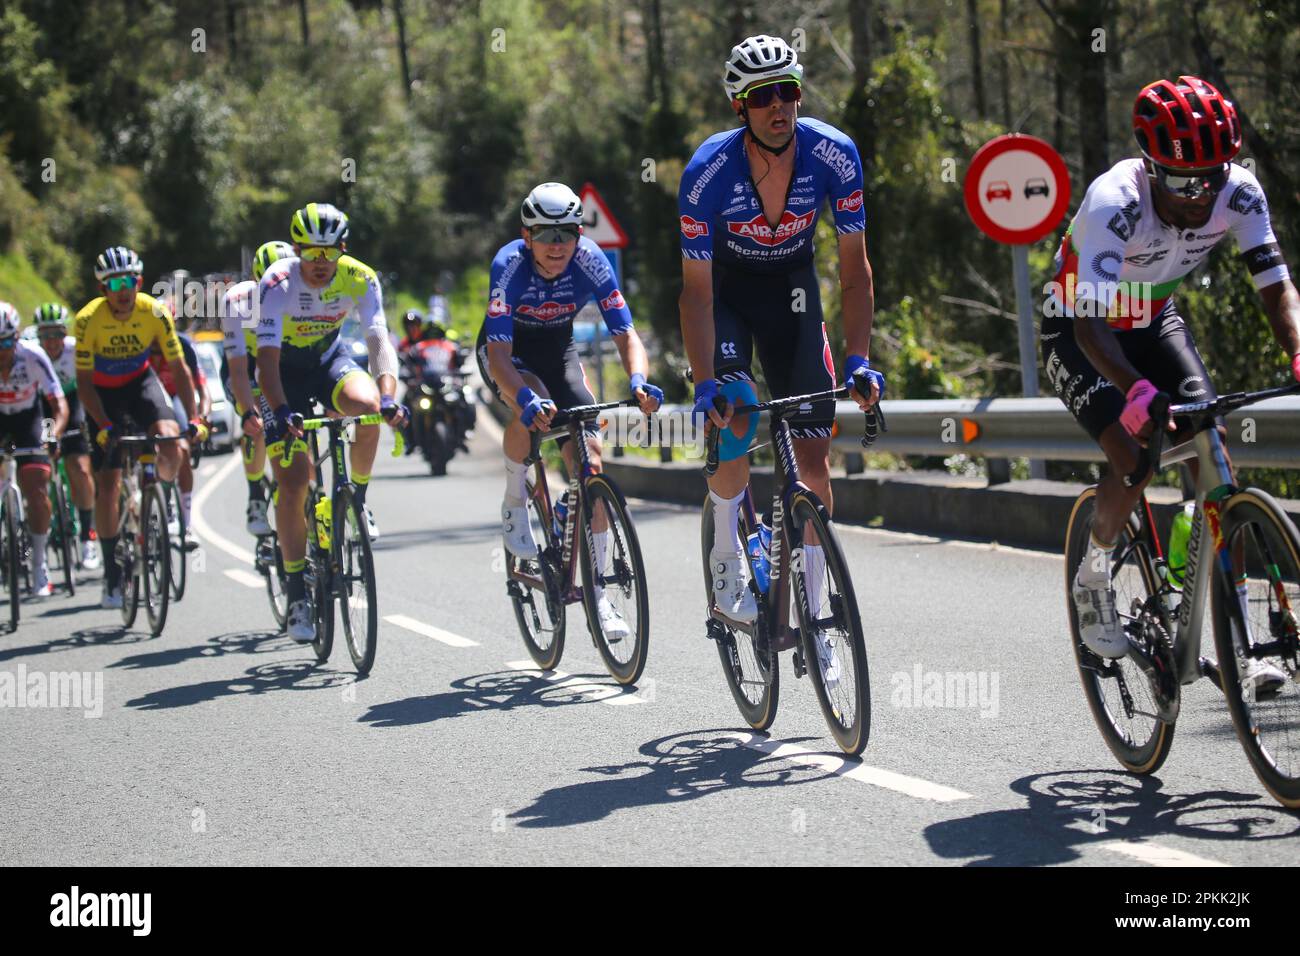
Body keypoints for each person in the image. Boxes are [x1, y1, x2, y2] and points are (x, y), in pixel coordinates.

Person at [1044, 75, 1300, 693]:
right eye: (1185, 181)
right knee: (1132, 457)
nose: (1201, 193)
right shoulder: (1115, 202)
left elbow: (1275, 290)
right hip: (1083, 330)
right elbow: (1089, 328)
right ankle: (1094, 576)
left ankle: (1241, 641)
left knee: (1210, 452)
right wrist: (1135, 391)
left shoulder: (1238, 193)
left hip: (1155, 317)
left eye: (1215, 174)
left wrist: (1298, 350)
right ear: (1151, 166)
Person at [678, 34, 883, 672]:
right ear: (741, 106)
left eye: (787, 93)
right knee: (737, 411)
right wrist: (707, 379)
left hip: (794, 293)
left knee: (815, 455)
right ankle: (725, 561)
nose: (778, 107)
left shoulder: (834, 155)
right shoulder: (706, 173)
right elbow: (696, 293)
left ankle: (817, 615)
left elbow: (854, 271)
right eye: (762, 97)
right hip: (730, 298)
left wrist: (856, 358)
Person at [477, 182, 663, 640]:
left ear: (579, 234)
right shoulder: (509, 265)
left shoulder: (590, 260)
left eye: (567, 233)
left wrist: (637, 380)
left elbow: (625, 334)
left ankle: (598, 594)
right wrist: (523, 398)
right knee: (536, 405)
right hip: (508, 353)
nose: (557, 245)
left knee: (590, 462)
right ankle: (515, 498)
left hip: (558, 348)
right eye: (545, 234)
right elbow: (499, 358)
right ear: (527, 235)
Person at [255, 203, 407, 643]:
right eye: (310, 253)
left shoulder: (360, 276)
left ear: (342, 249)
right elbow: (265, 360)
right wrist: (282, 411)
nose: (320, 263)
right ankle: (298, 592)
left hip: (328, 360)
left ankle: (355, 500)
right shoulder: (278, 282)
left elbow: (379, 341)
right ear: (298, 250)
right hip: (282, 374)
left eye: (329, 252)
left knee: (369, 407)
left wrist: (389, 394)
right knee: (295, 480)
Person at [74, 246, 206, 608]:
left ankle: (154, 498)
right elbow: (83, 384)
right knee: (108, 482)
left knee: (171, 441)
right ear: (103, 288)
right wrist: (101, 424)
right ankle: (112, 575)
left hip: (139, 382)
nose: (123, 289)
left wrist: (193, 418)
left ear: (139, 282)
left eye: (129, 281)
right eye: (114, 283)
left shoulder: (155, 311)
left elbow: (180, 370)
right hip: (102, 392)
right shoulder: (87, 320)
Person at [220, 240, 292, 535]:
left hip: (281, 366)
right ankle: (255, 497)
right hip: (245, 369)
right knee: (259, 424)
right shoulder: (237, 301)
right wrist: (249, 409)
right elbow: (237, 368)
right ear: (254, 281)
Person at [0, 302, 67, 597]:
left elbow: (58, 404)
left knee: (37, 485)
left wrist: (51, 436)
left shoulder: (33, 355)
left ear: (16, 338)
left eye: (5, 342)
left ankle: (39, 563)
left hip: (29, 416)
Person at [33, 303, 100, 570]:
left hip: (74, 403)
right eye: (45, 335)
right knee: (43, 461)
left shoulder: (75, 349)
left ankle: (87, 537)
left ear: (65, 333)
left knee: (81, 468)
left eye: (57, 334)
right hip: (46, 406)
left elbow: (92, 385)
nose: (51, 342)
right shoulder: (34, 355)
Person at [148, 324, 210, 547]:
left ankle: (186, 523)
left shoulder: (182, 345)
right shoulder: (139, 343)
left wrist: (200, 418)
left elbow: (203, 390)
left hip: (176, 398)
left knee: (182, 449)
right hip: (150, 399)